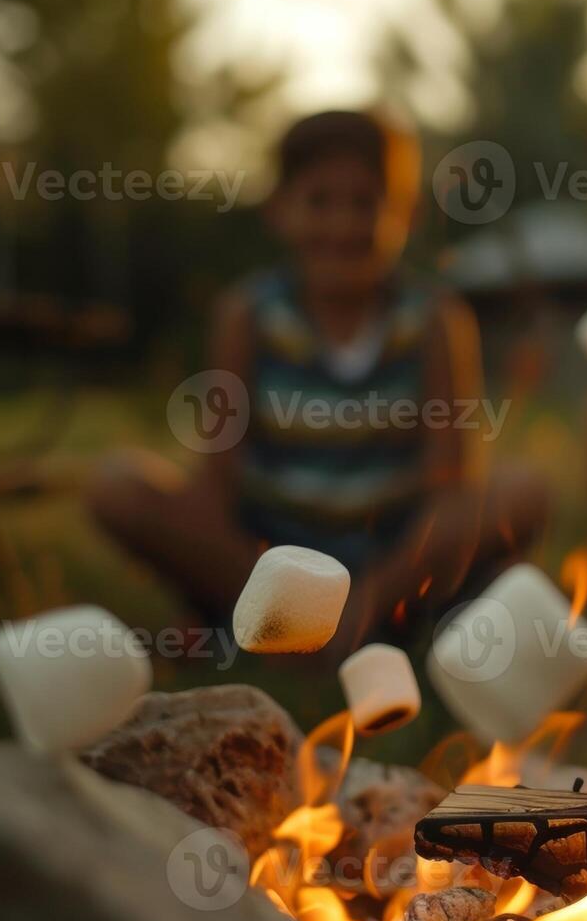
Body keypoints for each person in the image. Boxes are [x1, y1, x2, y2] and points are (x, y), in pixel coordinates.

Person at [89, 111, 546, 649]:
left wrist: (375, 589)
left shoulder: (436, 320)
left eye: (365, 204)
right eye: (319, 202)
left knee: (523, 492)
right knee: (117, 486)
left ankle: (361, 619)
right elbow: (216, 481)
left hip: (393, 559)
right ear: (279, 211)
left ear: (407, 215)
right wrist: (221, 562)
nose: (342, 225)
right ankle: (277, 616)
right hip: (272, 558)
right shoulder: (247, 316)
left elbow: (452, 488)